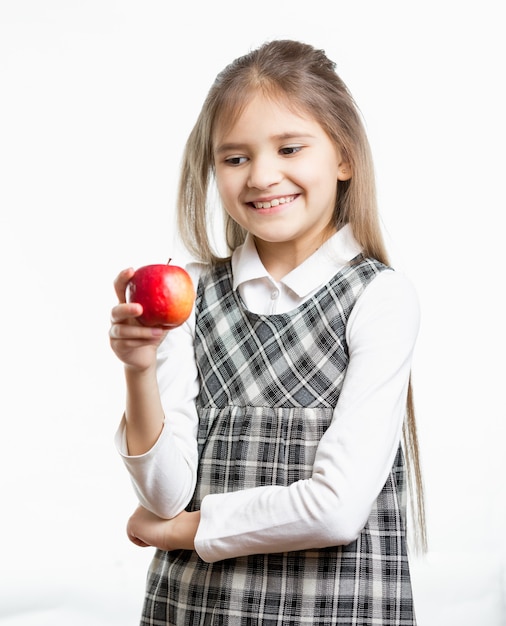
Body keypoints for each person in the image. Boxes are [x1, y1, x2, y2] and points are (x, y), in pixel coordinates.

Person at [109, 39, 426, 626]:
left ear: (344, 157)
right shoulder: (191, 294)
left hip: (333, 611)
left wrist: (182, 532)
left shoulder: (379, 298)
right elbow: (163, 494)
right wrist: (139, 369)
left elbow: (335, 511)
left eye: (289, 148)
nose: (261, 176)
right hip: (195, 609)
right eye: (234, 158)